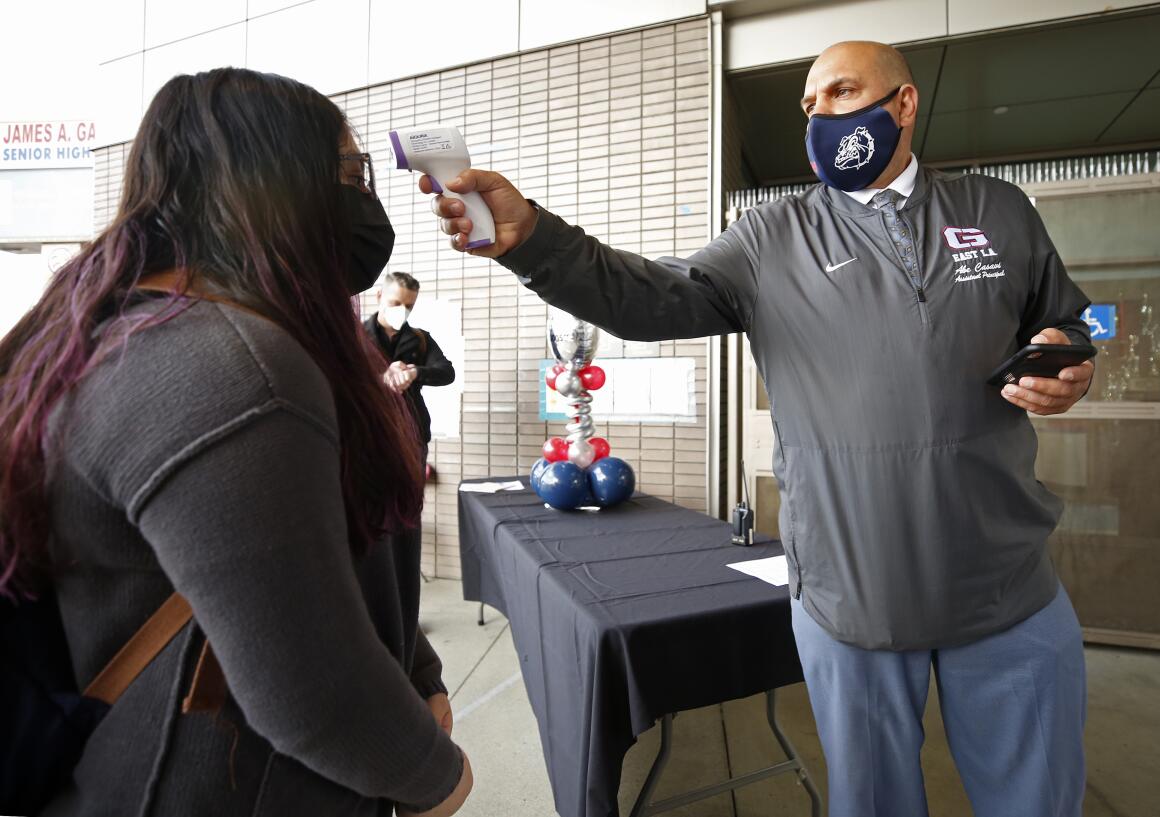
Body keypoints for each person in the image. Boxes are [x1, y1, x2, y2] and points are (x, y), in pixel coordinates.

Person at [424, 41, 1093, 817]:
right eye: (809, 105)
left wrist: (1070, 365)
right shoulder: (771, 236)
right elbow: (650, 298)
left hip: (1005, 582)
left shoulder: (997, 211)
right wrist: (536, 238)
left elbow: (1064, 325)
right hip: (852, 594)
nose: (820, 114)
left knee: (1038, 801)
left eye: (842, 93)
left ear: (904, 104)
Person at [0, 68, 471, 817]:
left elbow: (312, 560)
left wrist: (418, 668)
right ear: (274, 180)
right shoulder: (231, 366)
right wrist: (436, 776)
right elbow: (314, 684)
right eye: (353, 174)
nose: (368, 201)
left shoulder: (148, 328)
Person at [366, 272, 456, 455]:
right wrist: (382, 379)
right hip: (367, 433)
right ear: (379, 296)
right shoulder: (355, 338)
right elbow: (339, 380)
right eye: (396, 303)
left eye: (409, 306)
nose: (402, 311)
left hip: (412, 435)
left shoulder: (420, 338)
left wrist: (414, 372)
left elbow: (447, 372)